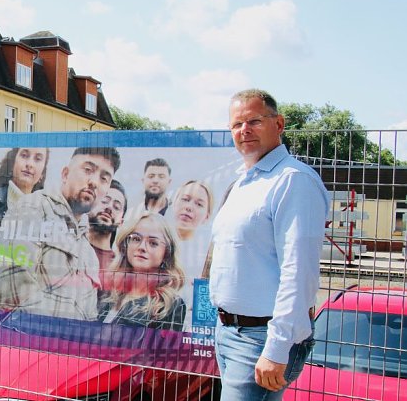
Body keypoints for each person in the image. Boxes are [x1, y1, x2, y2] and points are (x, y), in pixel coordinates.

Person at [210, 89, 328, 400]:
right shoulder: (244, 182)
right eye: (236, 124)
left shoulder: (293, 180)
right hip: (229, 332)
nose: (244, 130)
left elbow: (299, 272)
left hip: (261, 338)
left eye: (254, 121)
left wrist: (277, 348)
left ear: (279, 124)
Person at [0, 147, 121, 321]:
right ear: (65, 174)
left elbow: (89, 319)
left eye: (104, 178)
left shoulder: (89, 255)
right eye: (88, 170)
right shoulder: (32, 207)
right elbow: (15, 290)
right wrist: (58, 334)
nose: (94, 182)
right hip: (15, 335)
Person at [0, 147, 49, 306]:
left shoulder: (46, 215)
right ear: (13, 161)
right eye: (24, 155)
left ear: (42, 173)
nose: (30, 164)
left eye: (37, 159)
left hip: (23, 308)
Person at [99, 212, 186, 331]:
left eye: (153, 243)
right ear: (126, 245)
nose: (142, 247)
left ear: (166, 253)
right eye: (136, 239)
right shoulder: (110, 293)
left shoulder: (169, 305)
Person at [170, 180, 215, 331]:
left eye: (199, 204)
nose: (189, 207)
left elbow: (204, 319)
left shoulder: (209, 258)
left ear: (207, 216)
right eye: (185, 199)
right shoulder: (151, 244)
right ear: (174, 202)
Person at [88, 179, 128, 273]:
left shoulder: (119, 266)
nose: (109, 207)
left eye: (116, 207)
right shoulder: (71, 247)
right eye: (104, 201)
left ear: (121, 222)